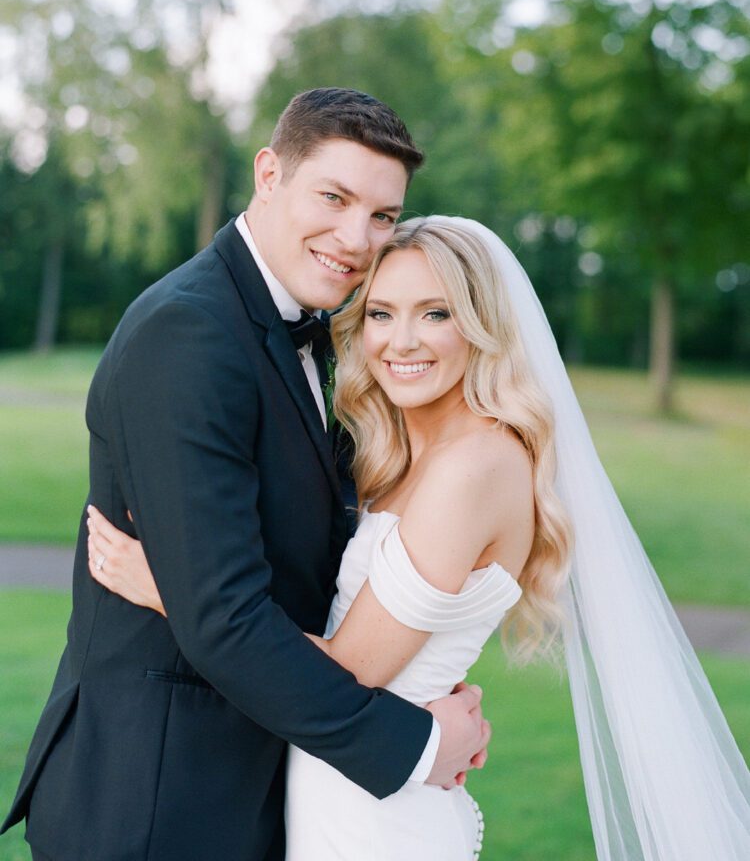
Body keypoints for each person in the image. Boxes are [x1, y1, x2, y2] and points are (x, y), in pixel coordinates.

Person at [88, 216, 750, 860]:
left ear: (483, 327)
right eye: (381, 313)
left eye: (436, 314)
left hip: (381, 819)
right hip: (344, 787)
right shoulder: (399, 455)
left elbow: (350, 670)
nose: (402, 340)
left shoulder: (475, 467)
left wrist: (173, 588)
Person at [1, 91, 491, 861]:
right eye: (333, 197)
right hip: (159, 804)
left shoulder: (307, 330)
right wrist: (418, 744)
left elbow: (297, 569)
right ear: (269, 174)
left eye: (382, 216)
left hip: (250, 790)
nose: (356, 238)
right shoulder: (189, 334)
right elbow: (224, 620)